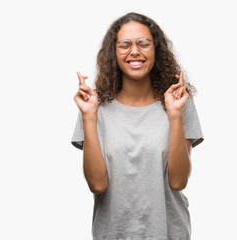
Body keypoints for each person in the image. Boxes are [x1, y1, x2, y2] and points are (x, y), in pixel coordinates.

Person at [71, 12, 203, 239]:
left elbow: (179, 181)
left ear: (156, 50)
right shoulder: (94, 107)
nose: (134, 51)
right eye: (124, 45)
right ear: (113, 53)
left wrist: (175, 115)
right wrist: (89, 117)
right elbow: (97, 185)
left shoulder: (178, 102)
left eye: (144, 44)